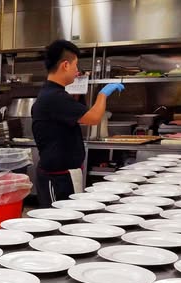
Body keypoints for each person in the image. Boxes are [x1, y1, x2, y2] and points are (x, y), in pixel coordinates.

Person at [31, 40, 125, 208]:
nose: (77, 71)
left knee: (69, 216)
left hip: (64, 174)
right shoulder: (55, 97)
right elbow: (93, 118)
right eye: (75, 65)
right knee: (57, 218)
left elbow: (79, 116)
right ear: (65, 65)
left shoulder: (55, 94)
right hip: (57, 177)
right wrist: (103, 94)